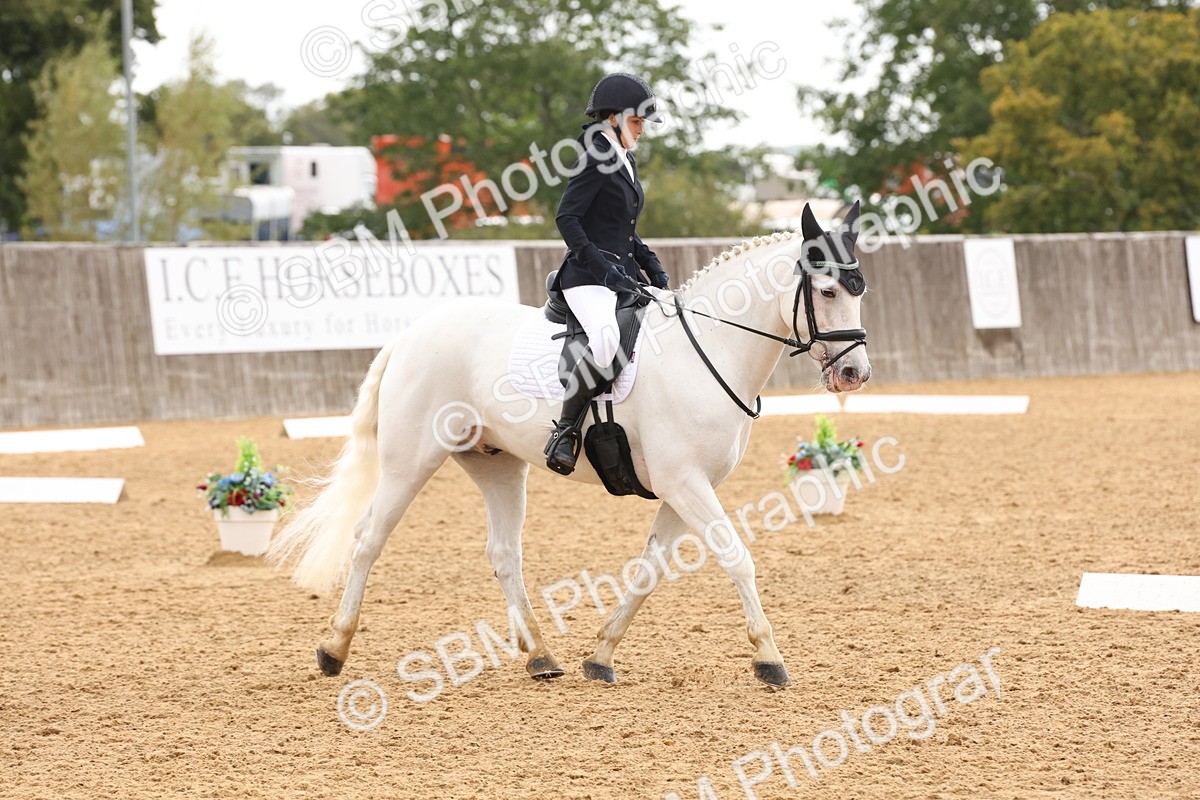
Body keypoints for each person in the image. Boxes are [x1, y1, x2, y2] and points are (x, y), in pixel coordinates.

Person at [543, 72, 670, 476]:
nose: (642, 131)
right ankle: (565, 432)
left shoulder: (624, 158)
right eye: (637, 122)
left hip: (622, 272)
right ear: (613, 118)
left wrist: (650, 264)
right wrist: (601, 267)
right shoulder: (596, 155)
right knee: (606, 339)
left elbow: (623, 228)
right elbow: (568, 217)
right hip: (585, 277)